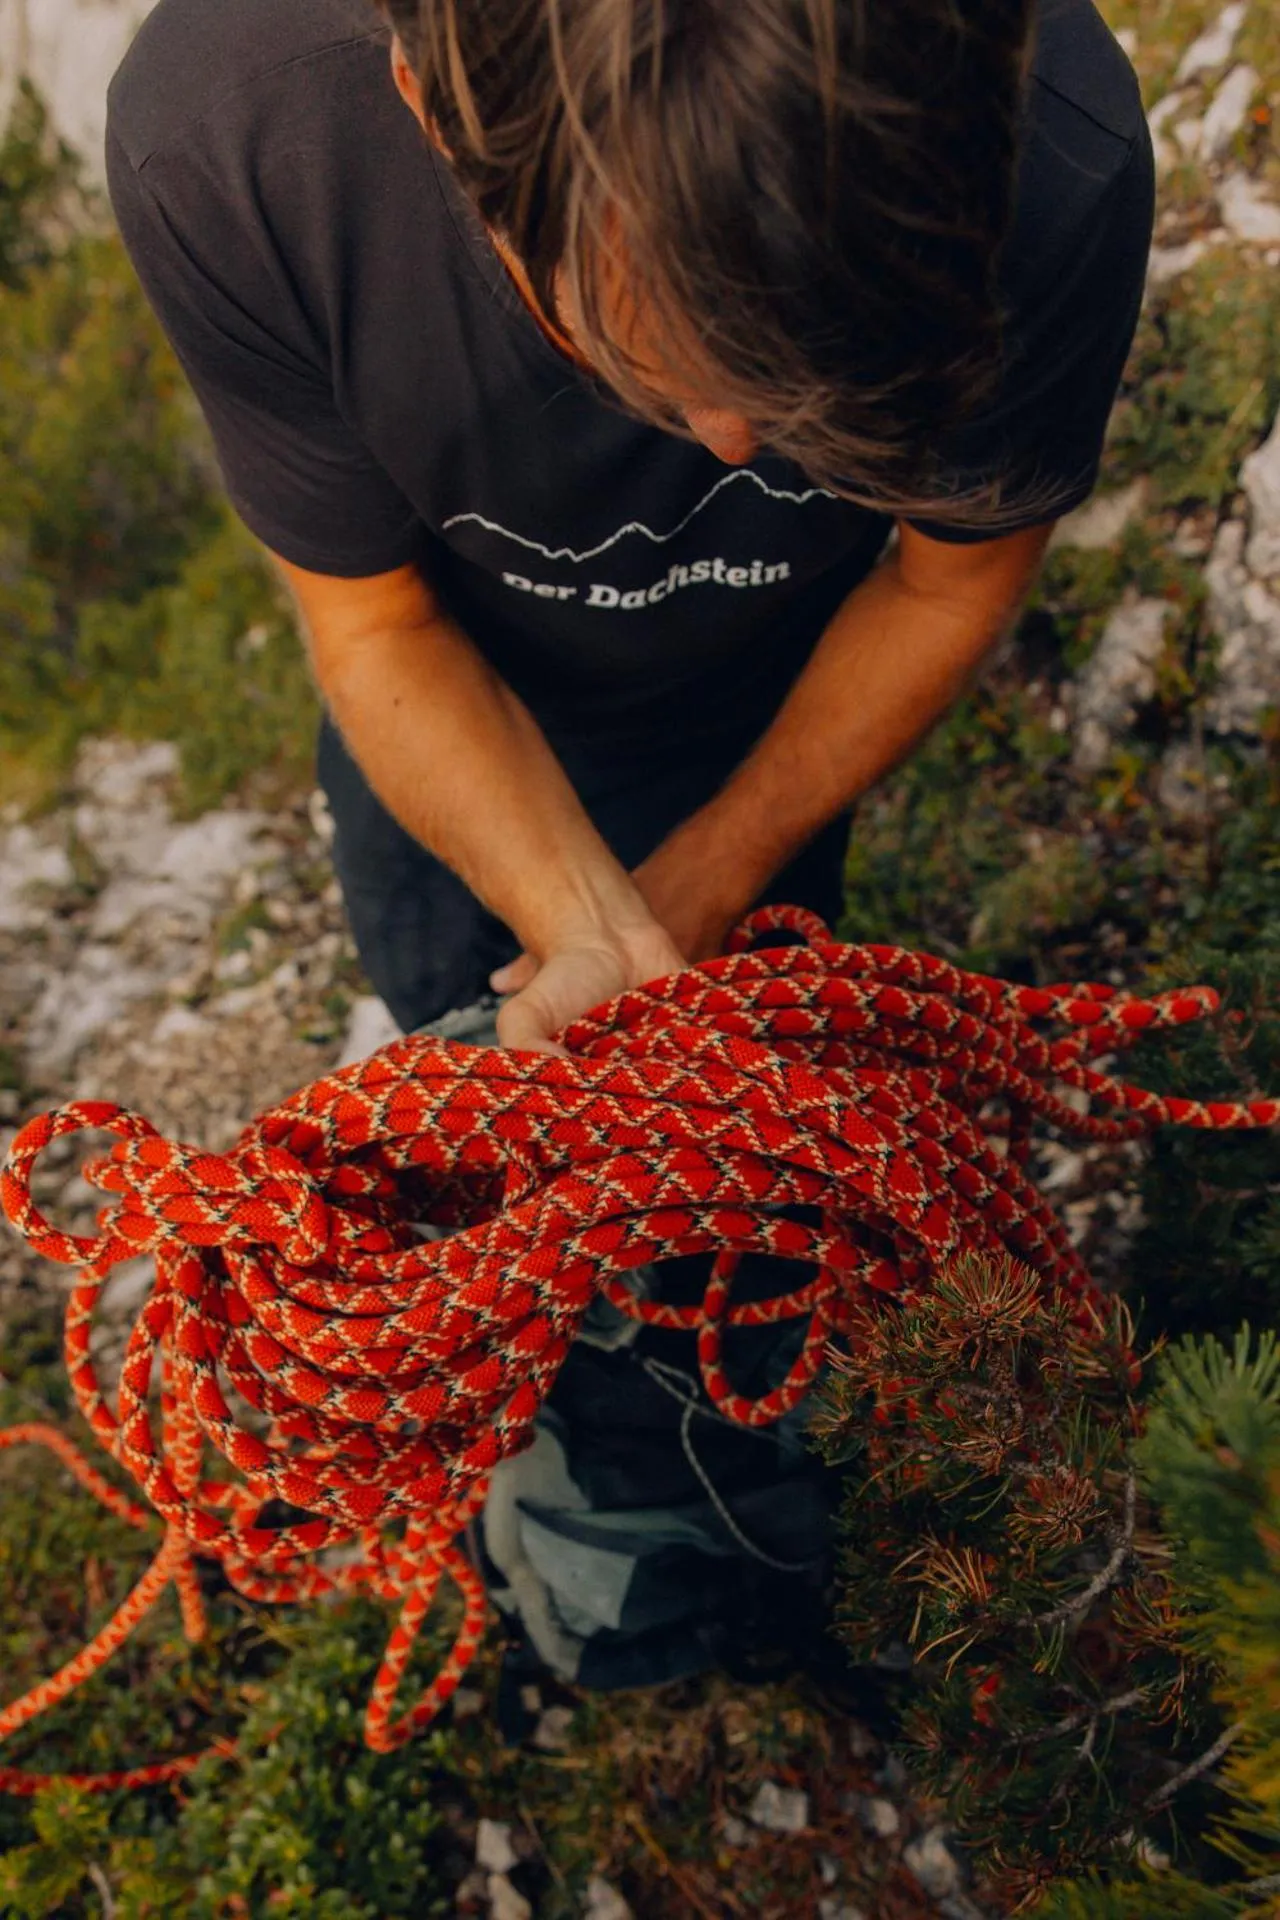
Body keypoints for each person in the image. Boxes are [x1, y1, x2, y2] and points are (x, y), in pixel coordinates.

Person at [106, 0, 1154, 1698]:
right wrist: (577, 923)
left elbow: (945, 575)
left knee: (732, 1190)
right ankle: (568, 1505)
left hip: (778, 706)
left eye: (797, 396)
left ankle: (731, 1444)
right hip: (453, 710)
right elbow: (374, 629)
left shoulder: (1043, 147)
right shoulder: (242, 129)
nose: (737, 454)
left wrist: (693, 894)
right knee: (486, 1186)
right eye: (654, 368)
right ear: (438, 112)